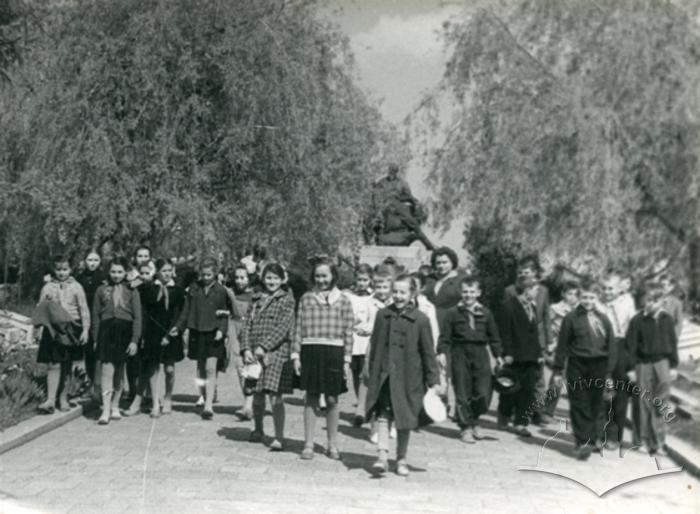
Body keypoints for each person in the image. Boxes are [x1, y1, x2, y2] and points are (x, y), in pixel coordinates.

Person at [365, 274, 440, 476]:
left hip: (409, 378)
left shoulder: (421, 320)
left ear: (412, 294)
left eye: (403, 292)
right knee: (383, 414)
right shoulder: (383, 315)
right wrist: (371, 370)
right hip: (385, 376)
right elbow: (375, 346)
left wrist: (434, 380)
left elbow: (428, 353)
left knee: (404, 419)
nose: (398, 296)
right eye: (395, 291)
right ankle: (381, 456)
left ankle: (401, 458)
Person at [291, 257, 354, 461]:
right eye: (317, 276)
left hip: (334, 352)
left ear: (333, 276)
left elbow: (348, 331)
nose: (321, 280)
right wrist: (296, 355)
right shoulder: (307, 299)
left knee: (332, 398)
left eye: (325, 275)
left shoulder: (343, 300)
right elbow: (298, 328)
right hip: (311, 350)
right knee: (311, 396)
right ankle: (308, 444)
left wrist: (346, 360)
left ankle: (332, 444)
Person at [552, 278, 616, 460]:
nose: (588, 301)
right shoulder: (570, 318)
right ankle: (583, 442)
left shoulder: (603, 319)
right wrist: (557, 370)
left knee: (596, 404)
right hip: (577, 365)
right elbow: (562, 346)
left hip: (599, 365)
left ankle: (593, 438)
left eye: (592, 298)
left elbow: (611, 345)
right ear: (579, 297)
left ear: (597, 298)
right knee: (579, 403)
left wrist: (609, 372)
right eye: (585, 297)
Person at [437, 276, 502, 443]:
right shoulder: (452, 313)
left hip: (480, 353)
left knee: (483, 392)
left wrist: (498, 356)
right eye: (465, 291)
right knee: (462, 390)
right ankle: (465, 427)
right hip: (460, 352)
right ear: (460, 292)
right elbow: (444, 337)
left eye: (472, 291)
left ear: (478, 293)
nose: (468, 295)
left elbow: (494, 337)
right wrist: (442, 352)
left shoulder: (486, 313)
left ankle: (475, 418)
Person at [240, 263, 296, 451]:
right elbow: (246, 325)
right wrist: (246, 348)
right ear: (263, 279)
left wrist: (264, 346)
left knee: (275, 396)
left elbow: (283, 327)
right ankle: (258, 429)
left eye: (275, 278)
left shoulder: (287, 300)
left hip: (275, 354)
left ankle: (278, 435)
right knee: (256, 393)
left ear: (282, 280)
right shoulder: (255, 299)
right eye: (268, 278)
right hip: (254, 354)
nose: (271, 281)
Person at [125, 259, 185, 417]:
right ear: (157, 272)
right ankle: (155, 404)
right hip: (153, 333)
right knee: (152, 368)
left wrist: (176, 329)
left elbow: (181, 313)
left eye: (169, 270)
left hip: (171, 332)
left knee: (169, 369)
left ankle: (168, 397)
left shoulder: (178, 291)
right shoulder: (149, 288)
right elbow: (134, 294)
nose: (166, 273)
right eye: (163, 270)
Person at [172, 257, 229, 420]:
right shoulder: (193, 288)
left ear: (215, 274)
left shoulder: (220, 290)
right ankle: (203, 395)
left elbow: (225, 313)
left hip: (213, 332)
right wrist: (179, 327)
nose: (205, 278)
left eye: (209, 274)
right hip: (197, 330)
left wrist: (221, 330)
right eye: (203, 274)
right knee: (200, 369)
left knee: (211, 368)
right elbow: (186, 309)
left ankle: (209, 405)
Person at [626, 282, 679, 456]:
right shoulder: (637, 320)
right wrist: (630, 368)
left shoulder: (667, 319)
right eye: (647, 300)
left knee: (662, 403)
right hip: (643, 363)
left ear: (662, 301)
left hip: (663, 363)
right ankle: (641, 440)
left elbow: (673, 343)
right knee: (642, 402)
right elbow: (631, 345)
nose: (649, 304)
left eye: (654, 301)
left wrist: (673, 365)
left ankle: (658, 442)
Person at [35, 255, 91, 413]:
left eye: (65, 269)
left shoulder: (76, 287)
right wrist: (39, 329)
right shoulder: (47, 287)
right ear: (54, 270)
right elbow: (41, 308)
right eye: (58, 269)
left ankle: (63, 398)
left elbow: (84, 309)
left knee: (67, 365)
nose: (61, 273)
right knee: (53, 364)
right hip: (52, 329)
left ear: (70, 270)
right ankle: (50, 400)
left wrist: (85, 329)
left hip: (70, 328)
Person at [503, 255, 553, 425]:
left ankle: (537, 411)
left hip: (538, 338)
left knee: (538, 378)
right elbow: (507, 318)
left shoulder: (543, 291)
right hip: (518, 340)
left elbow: (546, 316)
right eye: (521, 271)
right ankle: (512, 410)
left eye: (528, 271)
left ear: (535, 273)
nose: (524, 274)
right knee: (516, 375)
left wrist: (549, 340)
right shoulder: (511, 290)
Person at [92, 257, 142, 425]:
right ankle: (105, 409)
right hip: (107, 332)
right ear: (108, 271)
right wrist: (95, 337)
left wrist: (135, 340)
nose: (116, 275)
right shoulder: (101, 289)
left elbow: (137, 317)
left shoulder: (131, 290)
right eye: (113, 271)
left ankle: (115, 405)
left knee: (119, 371)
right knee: (107, 370)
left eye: (120, 272)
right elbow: (95, 316)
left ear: (125, 272)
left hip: (124, 332)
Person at [498, 278, 543, 437]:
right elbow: (505, 333)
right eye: (535, 290)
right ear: (527, 289)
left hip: (530, 357)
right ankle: (504, 414)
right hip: (514, 356)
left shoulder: (532, 307)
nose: (537, 293)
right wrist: (507, 353)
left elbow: (534, 334)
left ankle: (520, 423)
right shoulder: (508, 307)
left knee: (528, 390)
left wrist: (538, 354)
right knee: (510, 388)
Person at [424, 246, 464, 418]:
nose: (441, 266)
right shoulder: (429, 279)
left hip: (452, 326)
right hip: (431, 325)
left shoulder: (461, 280)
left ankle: (456, 406)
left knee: (452, 366)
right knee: (435, 365)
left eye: (445, 262)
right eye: (438, 262)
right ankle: (438, 404)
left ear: (452, 262)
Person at [598, 273, 637, 449]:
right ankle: (598, 432)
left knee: (619, 395)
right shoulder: (597, 304)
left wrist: (631, 360)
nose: (607, 292)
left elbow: (633, 331)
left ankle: (614, 436)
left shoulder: (627, 303)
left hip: (621, 346)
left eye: (611, 288)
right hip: (601, 347)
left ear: (619, 289)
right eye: (604, 288)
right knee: (599, 390)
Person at [542, 280, 579, 419]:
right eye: (570, 294)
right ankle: (547, 411)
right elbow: (547, 327)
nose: (573, 297)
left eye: (576, 295)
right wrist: (550, 343)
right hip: (558, 347)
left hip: (576, 349)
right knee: (556, 380)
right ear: (563, 294)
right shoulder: (555, 308)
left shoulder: (581, 310)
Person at [76, 251, 107, 397]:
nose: (92, 263)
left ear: (100, 261)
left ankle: (99, 385)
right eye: (90, 260)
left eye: (96, 260)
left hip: (100, 318)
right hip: (84, 318)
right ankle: (90, 383)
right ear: (85, 261)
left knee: (100, 352)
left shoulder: (104, 278)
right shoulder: (79, 278)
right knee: (88, 352)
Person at [228, 264, 256, 420]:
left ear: (249, 278)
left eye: (243, 277)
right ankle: (247, 402)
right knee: (239, 367)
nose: (239, 280)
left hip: (250, 330)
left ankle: (250, 404)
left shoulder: (255, 294)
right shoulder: (230, 293)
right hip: (234, 329)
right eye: (237, 277)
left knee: (250, 365)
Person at [347, 264, 374, 409]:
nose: (362, 283)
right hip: (354, 339)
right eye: (359, 280)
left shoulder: (373, 297)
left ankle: (366, 403)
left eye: (365, 280)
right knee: (355, 371)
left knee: (365, 373)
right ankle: (360, 401)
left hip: (367, 339)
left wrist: (366, 327)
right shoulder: (350, 297)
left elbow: (374, 318)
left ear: (370, 280)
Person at [659, 273, 684, 339]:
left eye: (664, 285)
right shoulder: (655, 301)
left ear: (671, 287)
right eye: (660, 285)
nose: (662, 287)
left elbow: (679, 323)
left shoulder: (677, 303)